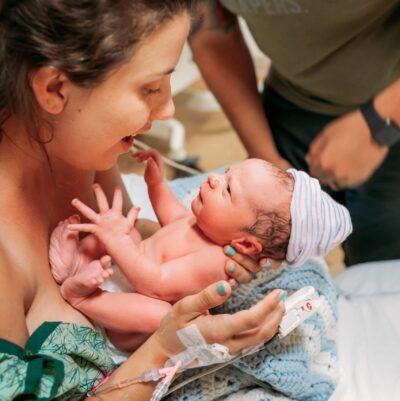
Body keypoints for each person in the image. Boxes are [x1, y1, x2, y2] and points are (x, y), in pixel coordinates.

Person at [0, 1, 287, 400]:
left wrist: (205, 253)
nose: (169, 108)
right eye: (151, 87)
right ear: (54, 89)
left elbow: (138, 249)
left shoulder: (77, 150)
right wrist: (167, 347)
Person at [49, 149, 352, 352]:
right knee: (122, 223)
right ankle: (76, 260)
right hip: (126, 269)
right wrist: (156, 182)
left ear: (246, 244)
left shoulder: (217, 262)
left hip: (131, 309)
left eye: (228, 189)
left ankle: (83, 297)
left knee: (159, 315)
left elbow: (155, 283)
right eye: (227, 173)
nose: (213, 178)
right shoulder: (206, 224)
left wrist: (117, 243)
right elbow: (173, 217)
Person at [189, 0, 400, 265]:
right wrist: (264, 153)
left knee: (381, 259)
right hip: (292, 101)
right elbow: (211, 36)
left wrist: (379, 123)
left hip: (389, 108)